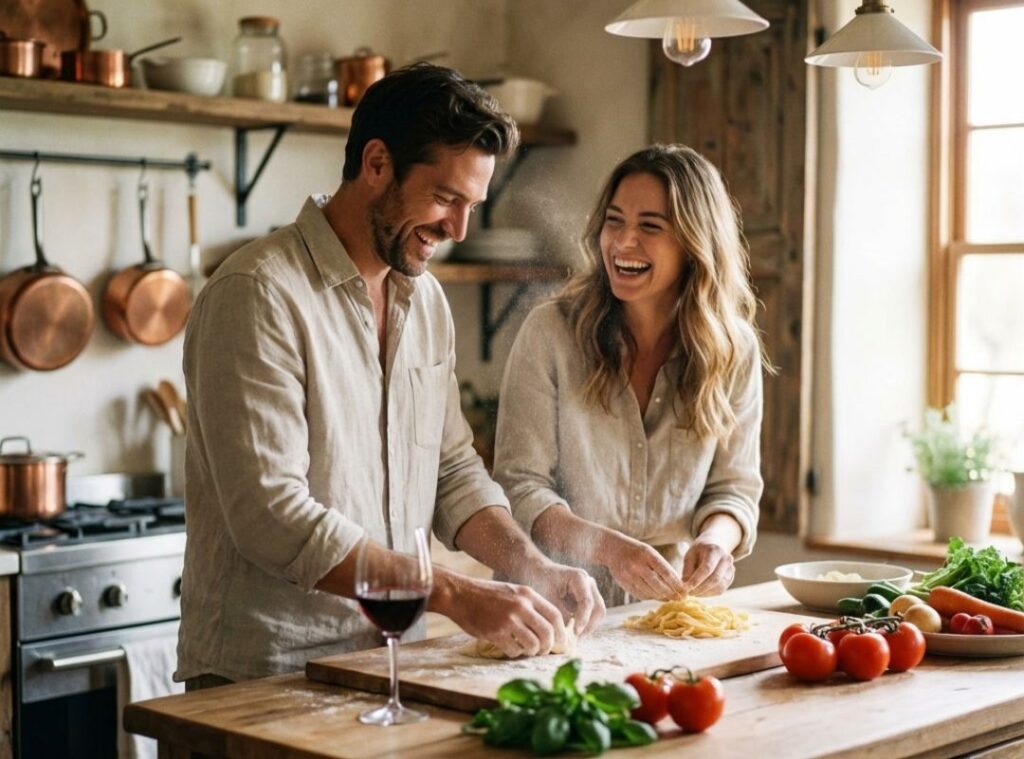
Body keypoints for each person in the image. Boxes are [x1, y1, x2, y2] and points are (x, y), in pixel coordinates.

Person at [177, 63, 604, 689]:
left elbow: (452, 470)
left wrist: (531, 565)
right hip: (264, 672)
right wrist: (455, 594)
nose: (457, 230)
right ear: (377, 163)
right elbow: (271, 514)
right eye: (445, 198)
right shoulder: (259, 293)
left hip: (389, 665)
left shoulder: (424, 301)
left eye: (471, 207)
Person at [492, 144, 767, 608]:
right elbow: (520, 488)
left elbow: (734, 489)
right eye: (614, 221)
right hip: (549, 604)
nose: (622, 242)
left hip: (666, 608)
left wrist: (717, 541)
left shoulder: (733, 350)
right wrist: (608, 548)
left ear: (695, 243)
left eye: (650, 227)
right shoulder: (551, 333)